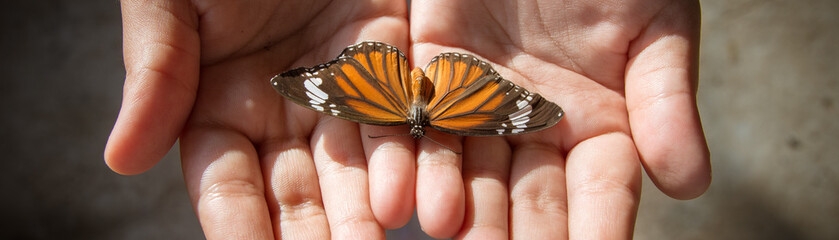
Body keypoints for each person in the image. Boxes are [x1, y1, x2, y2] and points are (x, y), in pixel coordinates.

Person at [106, 0, 710, 239]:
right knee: (494, 120)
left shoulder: (382, 112)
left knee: (345, 100)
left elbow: (335, 94)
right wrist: (464, 113)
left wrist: (379, 109)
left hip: (387, 96)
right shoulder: (443, 119)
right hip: (445, 97)